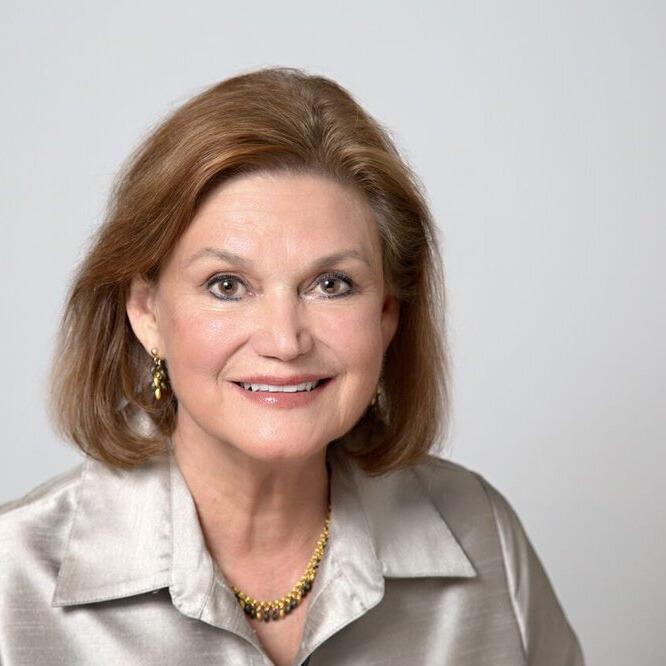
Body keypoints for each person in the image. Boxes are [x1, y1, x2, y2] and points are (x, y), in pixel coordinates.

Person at [0, 66, 584, 666]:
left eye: (332, 284)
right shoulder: (10, 581)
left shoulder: (481, 538)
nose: (284, 340)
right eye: (227, 285)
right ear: (147, 313)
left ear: (386, 314)